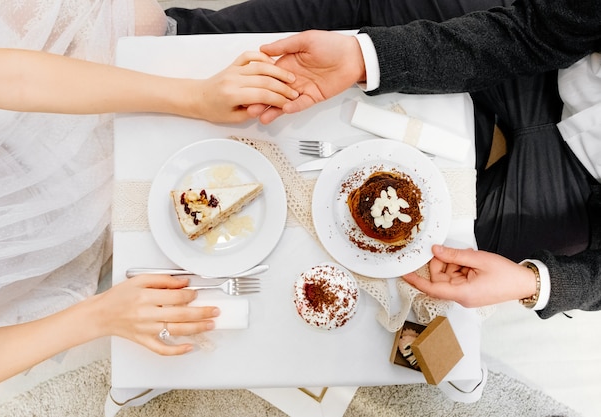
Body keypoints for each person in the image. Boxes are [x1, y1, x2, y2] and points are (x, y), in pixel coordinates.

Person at [166, 0, 601, 318]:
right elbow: (533, 32)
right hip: (553, 60)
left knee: (422, 262)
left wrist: (537, 283)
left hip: (580, 192)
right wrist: (364, 58)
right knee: (385, 7)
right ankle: (183, 41)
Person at [0, 0, 297, 393]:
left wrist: (193, 98)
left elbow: (15, 80)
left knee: (353, 21)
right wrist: (99, 316)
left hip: (104, 88)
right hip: (60, 245)